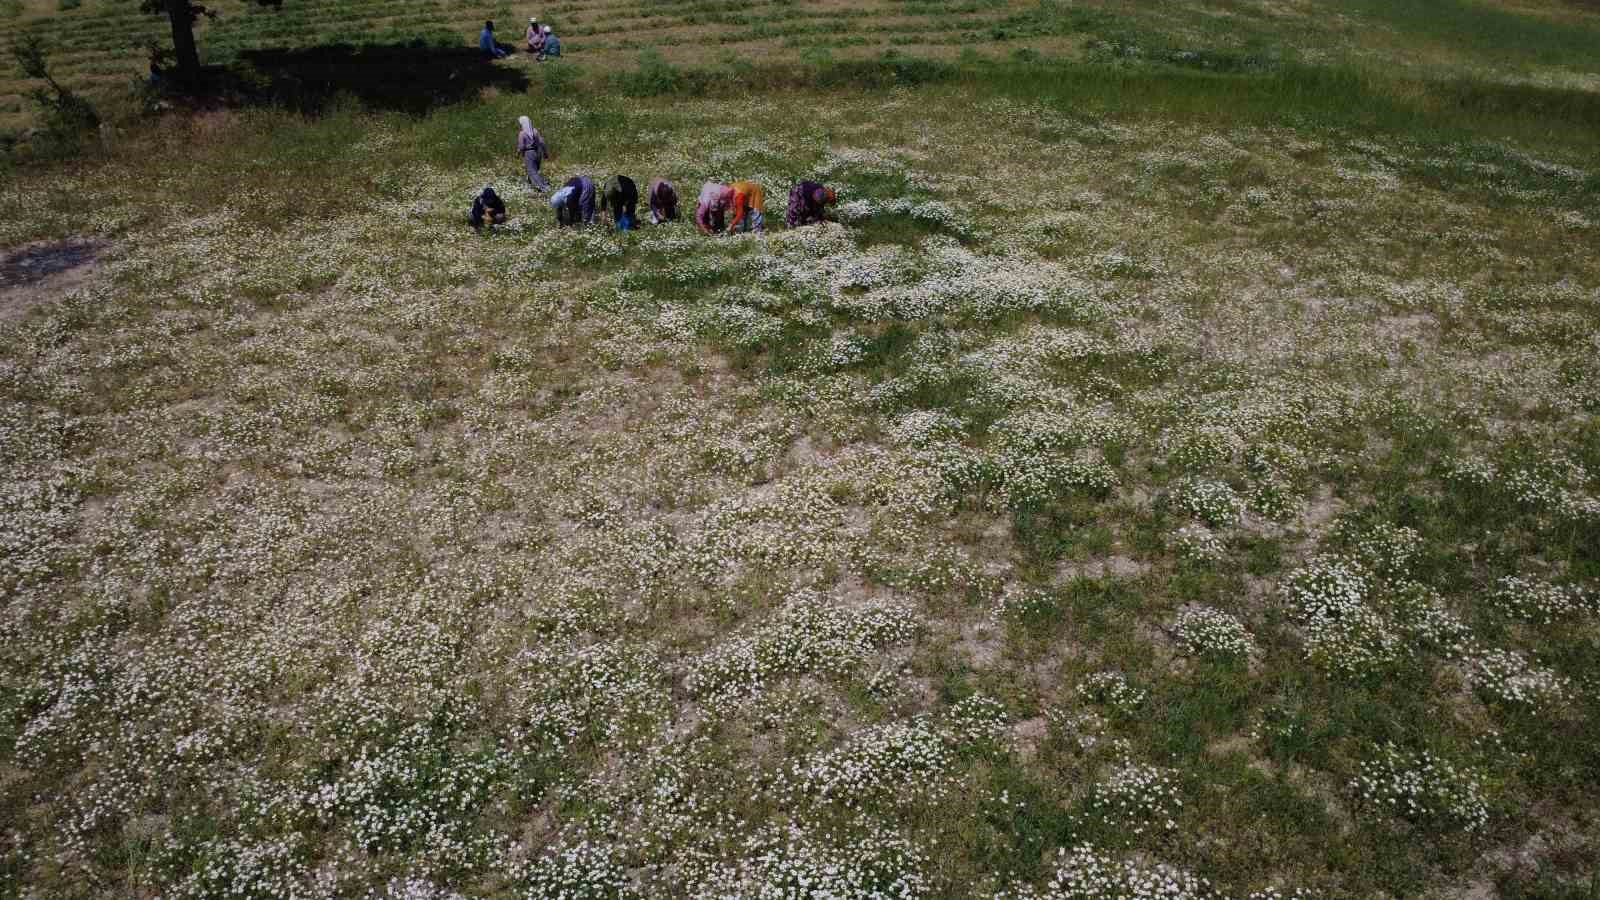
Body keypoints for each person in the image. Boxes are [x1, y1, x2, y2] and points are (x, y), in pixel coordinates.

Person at [517, 116, 551, 191]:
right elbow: (542, 142)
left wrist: (518, 154)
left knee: (532, 171)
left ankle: (544, 187)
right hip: (538, 152)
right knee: (534, 170)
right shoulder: (535, 131)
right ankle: (531, 183)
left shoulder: (522, 133)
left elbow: (521, 146)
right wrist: (545, 153)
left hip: (529, 153)